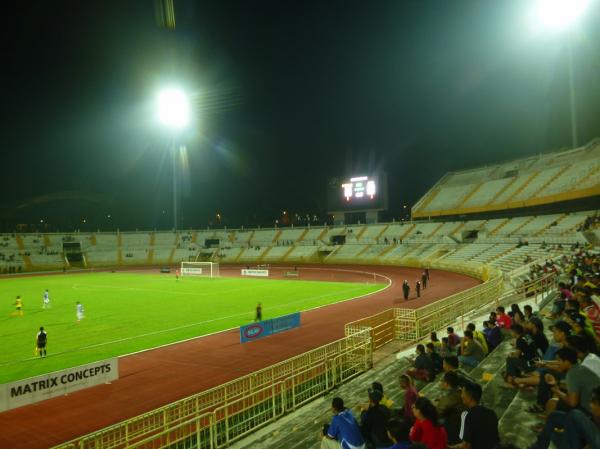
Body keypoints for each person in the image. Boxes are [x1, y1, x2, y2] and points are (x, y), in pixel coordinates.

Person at [460, 381, 499, 449]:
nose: (461, 395)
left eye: (462, 393)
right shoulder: (491, 413)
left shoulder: (469, 417)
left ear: (470, 398)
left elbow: (466, 446)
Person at [435, 371, 467, 446]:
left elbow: (438, 412)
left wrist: (438, 404)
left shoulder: (449, 398)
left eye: (442, 381)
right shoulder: (461, 391)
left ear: (446, 383)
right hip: (463, 422)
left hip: (455, 428)